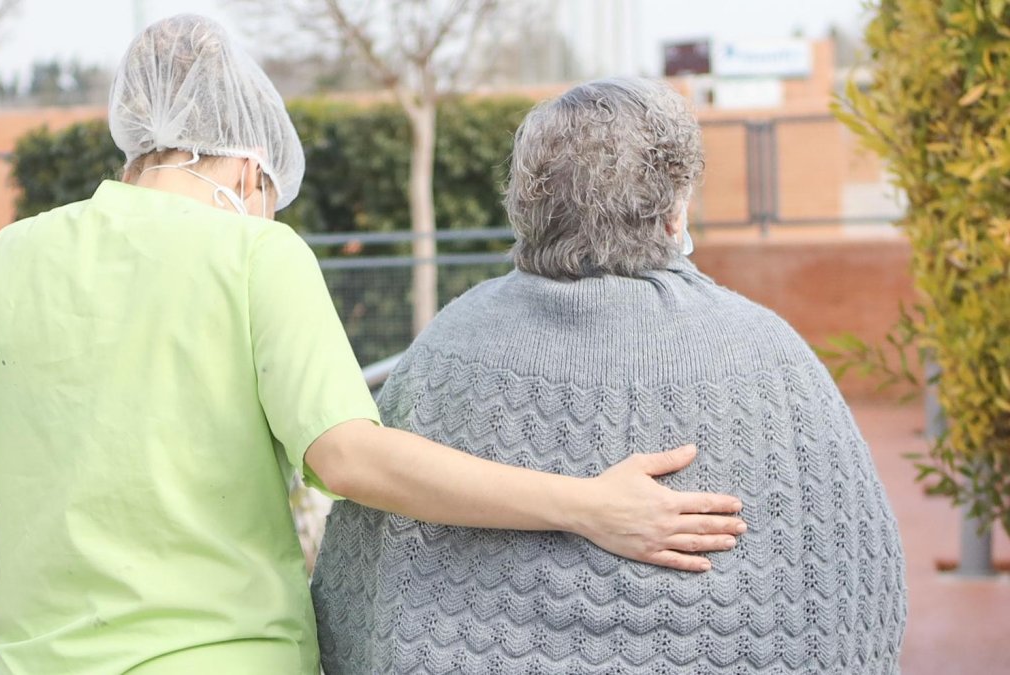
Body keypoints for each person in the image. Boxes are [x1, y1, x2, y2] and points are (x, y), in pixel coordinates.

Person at [0, 18, 747, 675]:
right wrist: (585, 504)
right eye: (269, 192)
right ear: (242, 168)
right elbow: (350, 458)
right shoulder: (253, 254)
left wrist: (51, 623)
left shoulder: (6, 256)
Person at [312, 78, 908, 674]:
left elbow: (361, 577)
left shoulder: (447, 347)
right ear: (673, 215)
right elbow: (855, 574)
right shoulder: (772, 357)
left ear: (527, 205)